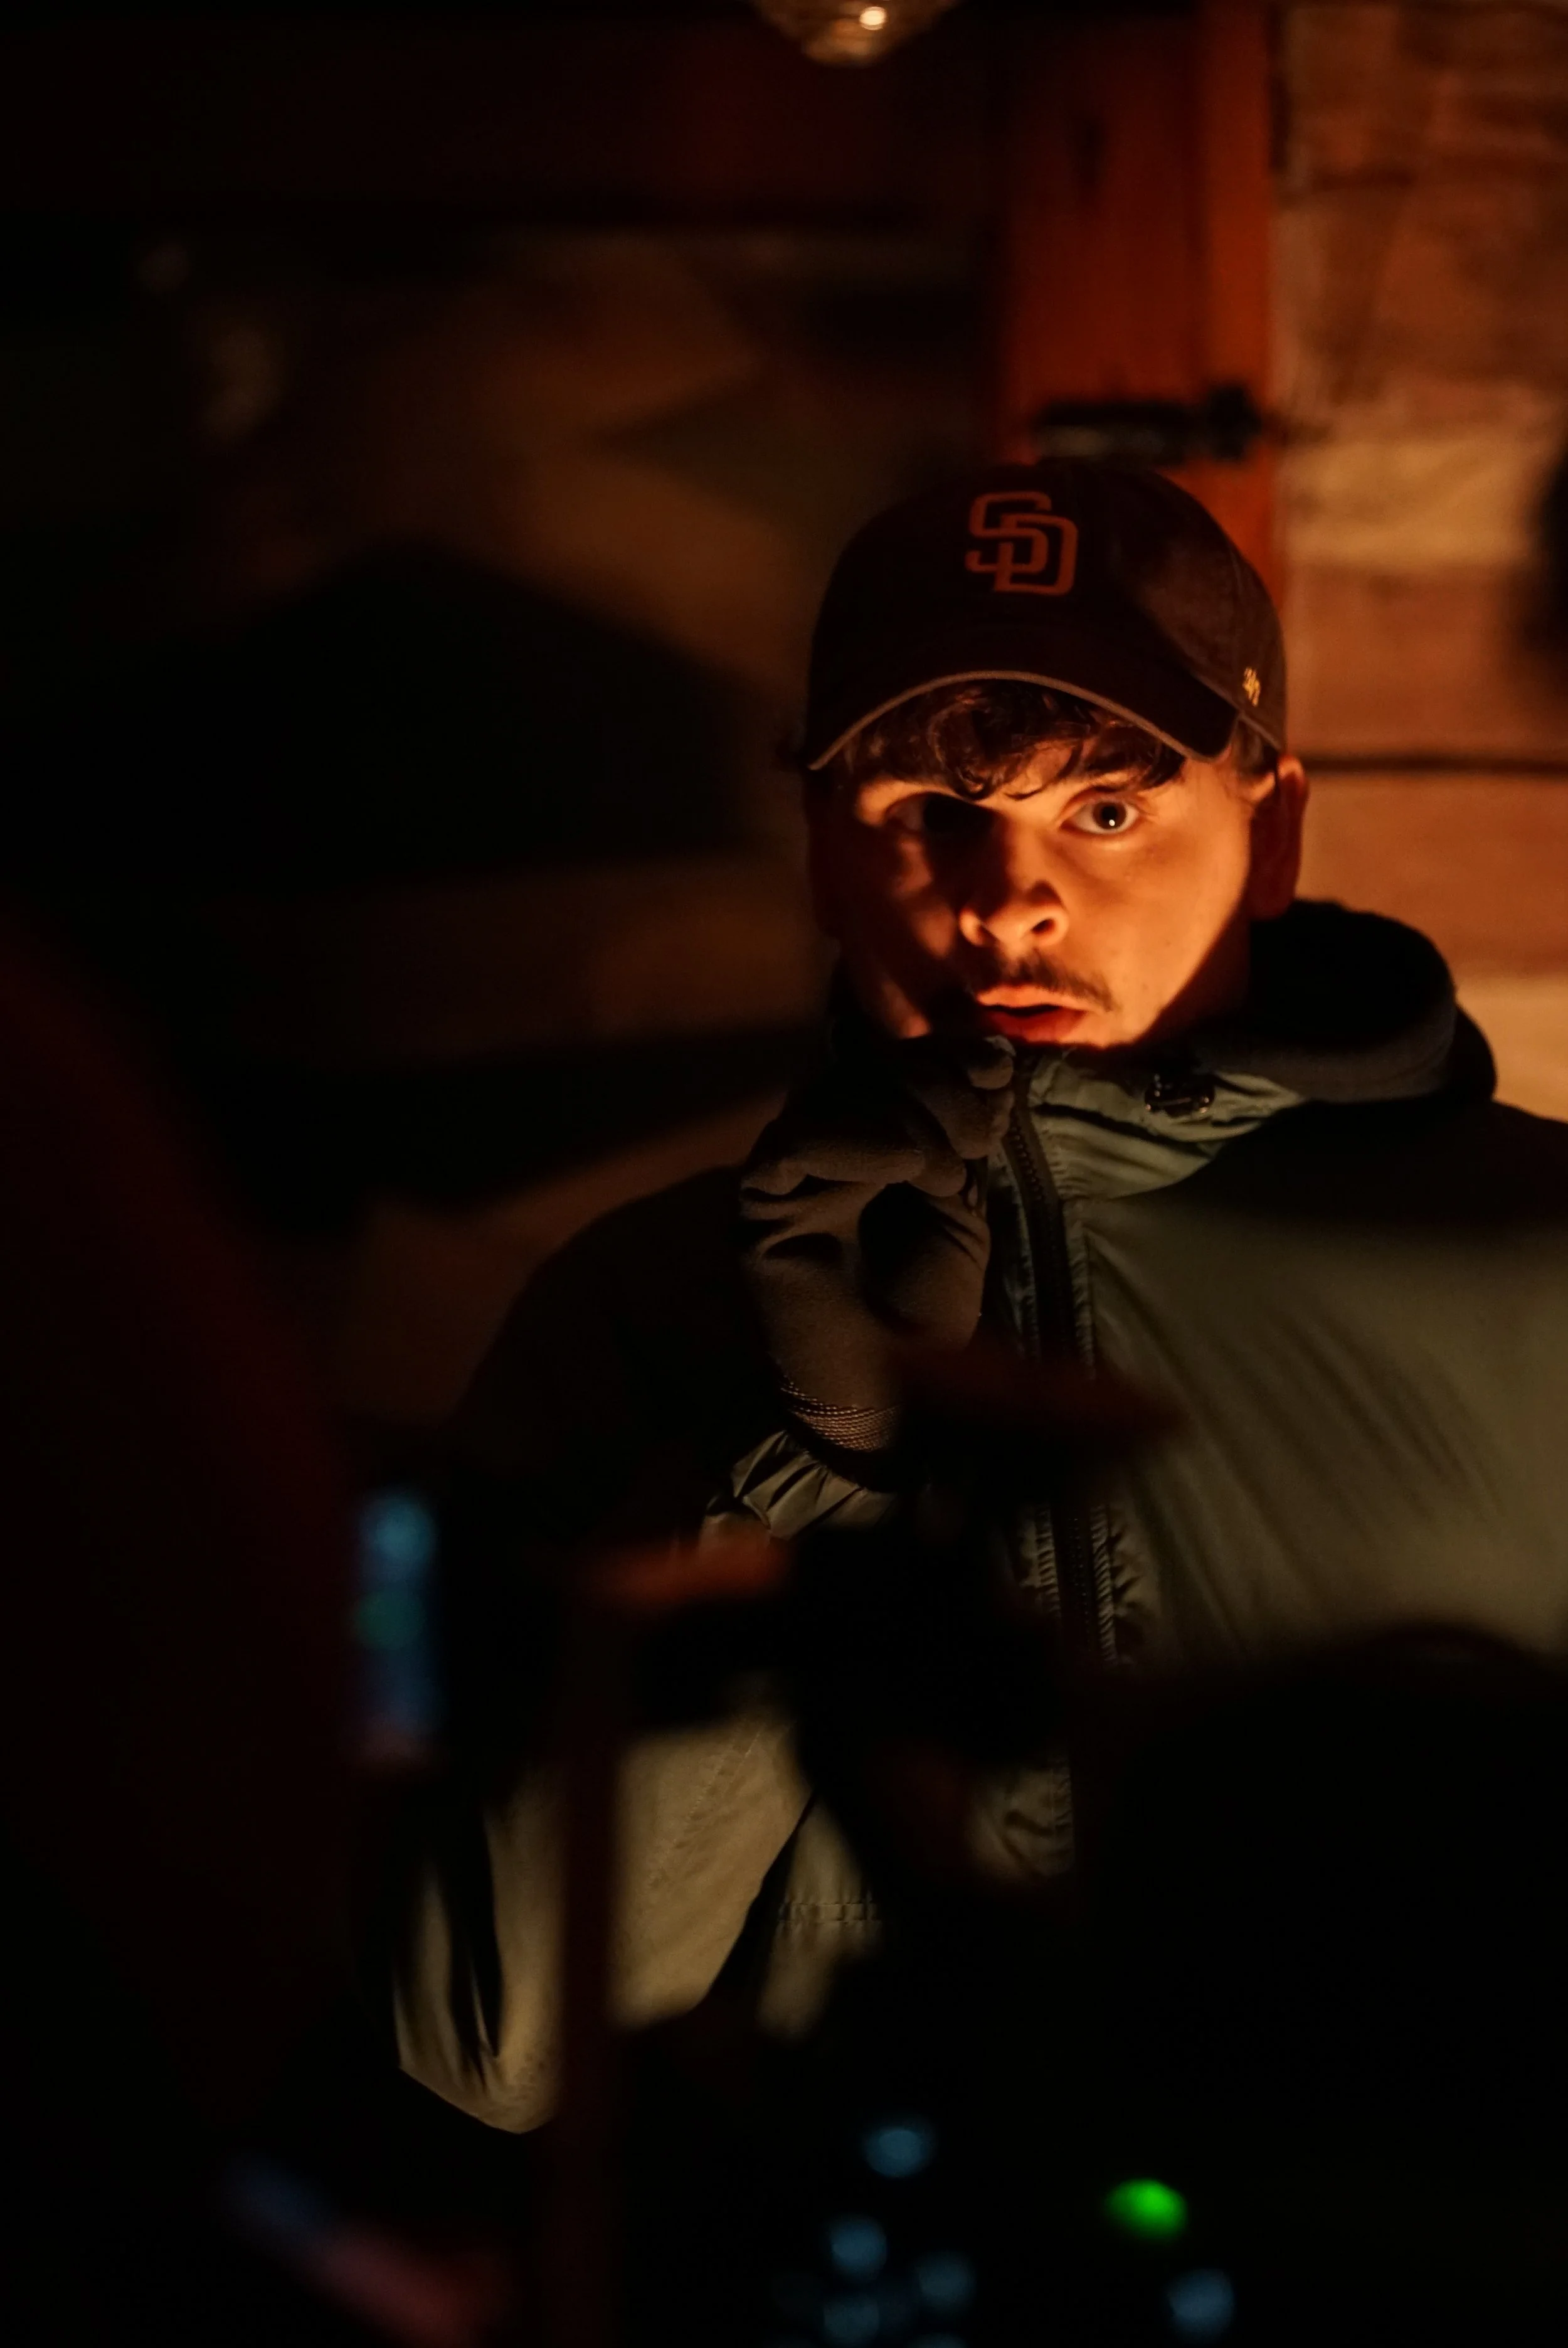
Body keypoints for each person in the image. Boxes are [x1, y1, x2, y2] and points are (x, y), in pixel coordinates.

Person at [392, 461, 1568, 2132]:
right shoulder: (638, 1314)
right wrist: (805, 1466)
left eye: (1104, 809)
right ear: (814, 843)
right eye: (920, 811)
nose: (1007, 895)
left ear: (1272, 827)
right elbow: (496, 2048)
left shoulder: (1538, 1263)